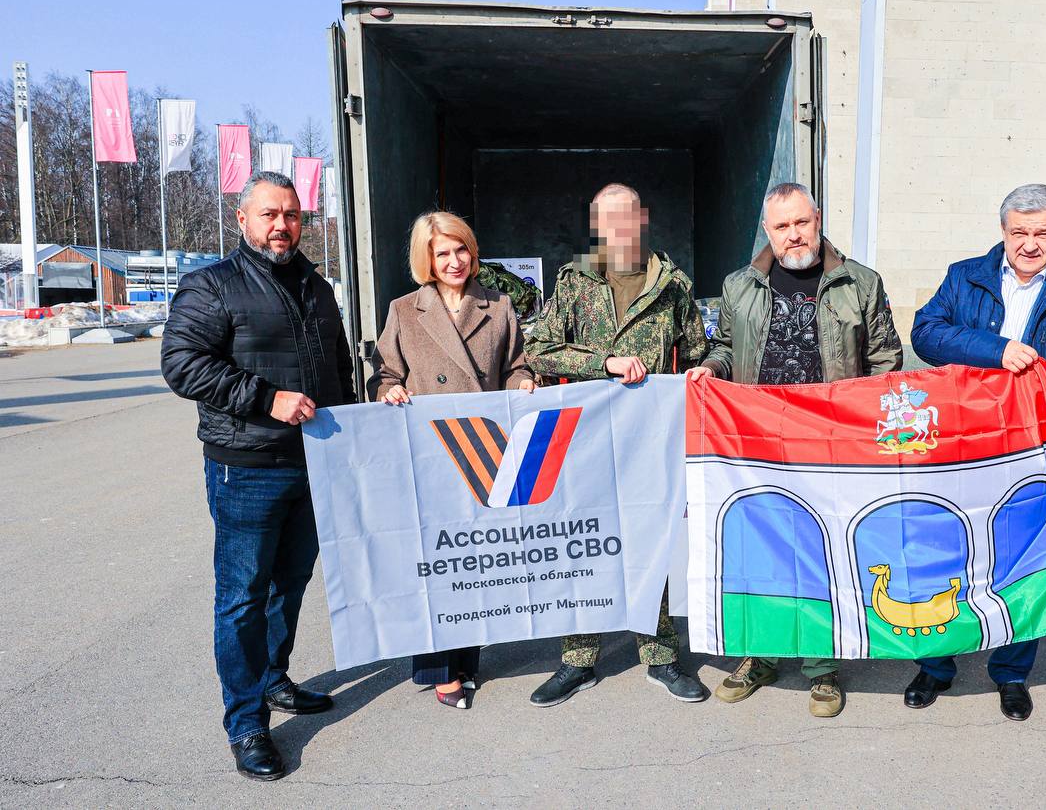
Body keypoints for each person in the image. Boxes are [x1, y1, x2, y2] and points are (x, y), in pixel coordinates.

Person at [161, 171, 357, 781]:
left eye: (292, 215)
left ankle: (274, 678)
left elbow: (339, 370)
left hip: (314, 464)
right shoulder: (212, 286)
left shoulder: (316, 287)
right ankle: (247, 723)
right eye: (269, 214)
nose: (282, 226)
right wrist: (266, 398)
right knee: (242, 597)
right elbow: (182, 364)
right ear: (242, 219)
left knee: (290, 583)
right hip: (246, 468)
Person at [688, 181, 903, 717]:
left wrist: (862, 429)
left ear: (818, 219)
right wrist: (710, 368)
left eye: (801, 222)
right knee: (759, 551)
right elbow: (724, 346)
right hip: (756, 444)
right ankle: (760, 656)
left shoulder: (860, 283)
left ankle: (821, 666)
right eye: (782, 226)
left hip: (831, 445)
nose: (793, 235)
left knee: (820, 553)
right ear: (768, 230)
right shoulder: (739, 285)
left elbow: (885, 361)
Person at [904, 182, 1046, 722]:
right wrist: (995, 350)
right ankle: (936, 665)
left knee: (1021, 564)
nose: (1029, 244)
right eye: (1019, 232)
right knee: (945, 557)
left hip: (1032, 457)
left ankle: (1012, 674)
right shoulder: (964, 277)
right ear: (1003, 231)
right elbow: (925, 333)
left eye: (1042, 233)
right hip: (957, 450)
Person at [523, 182, 709, 706]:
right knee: (583, 543)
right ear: (597, 226)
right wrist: (602, 364)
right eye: (608, 220)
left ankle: (661, 655)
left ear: (641, 219)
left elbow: (699, 352)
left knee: (652, 545)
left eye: (627, 217)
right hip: (585, 442)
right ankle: (578, 659)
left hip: (651, 442)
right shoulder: (575, 282)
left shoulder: (672, 285)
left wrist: (704, 373)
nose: (619, 229)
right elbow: (537, 349)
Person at [369, 211, 535, 709]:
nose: (455, 260)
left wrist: (523, 382)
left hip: (485, 450)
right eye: (442, 252)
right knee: (438, 563)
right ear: (427, 258)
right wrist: (389, 389)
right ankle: (441, 670)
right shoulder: (404, 310)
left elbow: (516, 364)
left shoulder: (499, 306)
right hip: (432, 455)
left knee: (475, 561)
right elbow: (384, 372)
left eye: (461, 249)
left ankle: (467, 662)